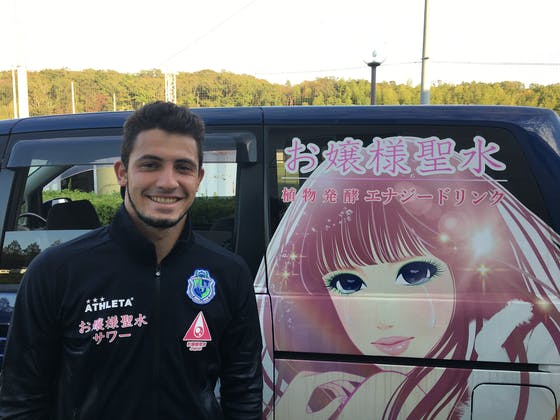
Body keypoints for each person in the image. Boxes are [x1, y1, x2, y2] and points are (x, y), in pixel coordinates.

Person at [259, 138, 560, 418]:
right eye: (348, 283)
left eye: (414, 273)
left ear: (462, 269)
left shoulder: (519, 354)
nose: (384, 318)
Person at [0, 101, 263, 419]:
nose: (168, 182)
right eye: (150, 165)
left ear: (198, 177)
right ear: (122, 173)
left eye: (183, 167)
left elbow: (244, 394)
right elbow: (21, 401)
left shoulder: (229, 273)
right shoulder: (55, 272)